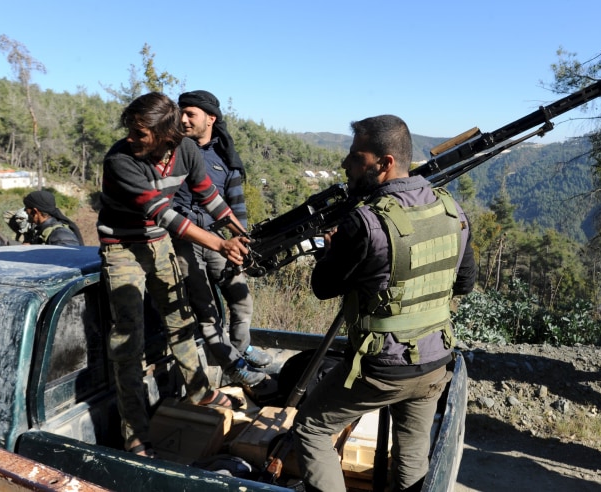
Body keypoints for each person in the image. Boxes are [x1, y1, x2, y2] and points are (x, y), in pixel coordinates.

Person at [292, 115, 478, 491]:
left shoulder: (364, 223)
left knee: (310, 427)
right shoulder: (450, 209)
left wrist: (331, 252)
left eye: (355, 156)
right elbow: (466, 282)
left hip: (382, 369)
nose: (346, 164)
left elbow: (323, 287)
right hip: (434, 362)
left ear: (385, 162)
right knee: (411, 456)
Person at [98, 92, 251, 458]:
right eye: (131, 132)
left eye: (141, 134)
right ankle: (135, 432)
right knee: (127, 340)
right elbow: (165, 214)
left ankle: (199, 392)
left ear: (166, 133)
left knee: (180, 319)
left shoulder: (186, 151)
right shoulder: (120, 160)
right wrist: (219, 244)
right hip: (122, 248)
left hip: (159, 244)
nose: (132, 139)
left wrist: (237, 230)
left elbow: (208, 196)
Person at [173, 90, 270, 388]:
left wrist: (240, 243)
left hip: (218, 239)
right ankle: (232, 365)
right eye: (182, 113)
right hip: (182, 240)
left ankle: (242, 348)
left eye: (191, 114)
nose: (183, 119)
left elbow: (235, 206)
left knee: (241, 300)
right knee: (206, 309)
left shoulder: (225, 157)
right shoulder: (172, 151)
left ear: (210, 118)